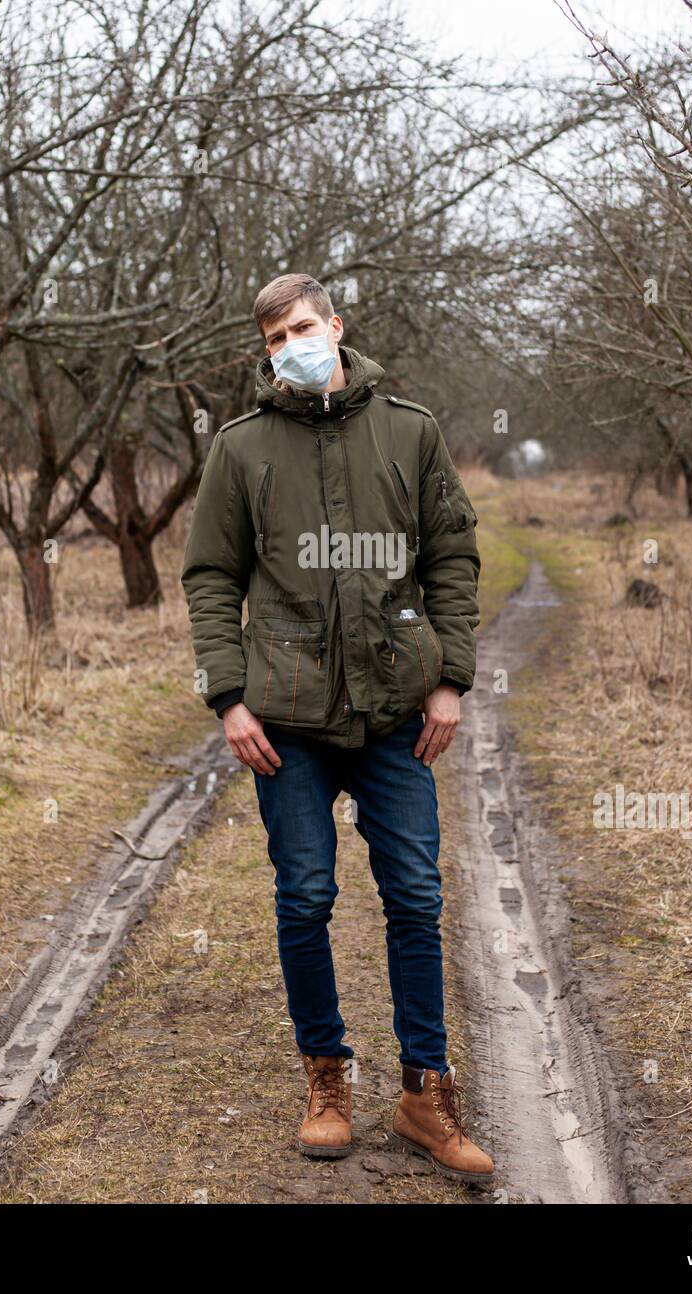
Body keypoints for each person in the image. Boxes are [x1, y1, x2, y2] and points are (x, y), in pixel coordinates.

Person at [180, 272, 493, 1184]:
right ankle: (327, 1081)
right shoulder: (241, 449)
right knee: (305, 895)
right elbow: (209, 577)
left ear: (338, 326)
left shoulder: (410, 428)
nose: (292, 346)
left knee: (417, 898)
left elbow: (451, 553)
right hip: (286, 719)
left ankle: (425, 1096)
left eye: (304, 327)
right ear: (265, 350)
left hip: (398, 709)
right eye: (275, 337)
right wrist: (227, 699)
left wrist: (451, 681)